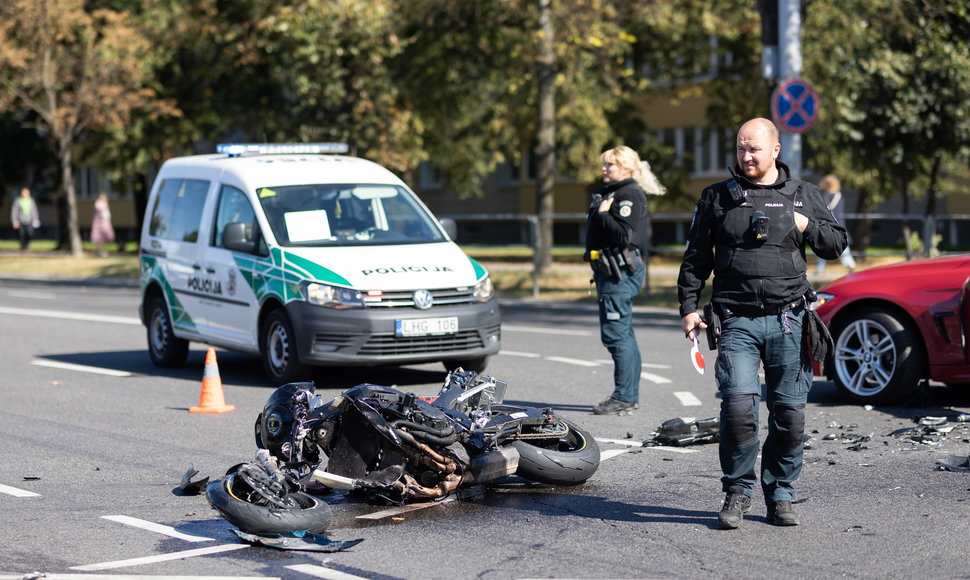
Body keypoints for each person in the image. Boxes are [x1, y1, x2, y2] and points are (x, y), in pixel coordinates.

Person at [677, 118, 846, 528]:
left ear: (775, 150)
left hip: (789, 320)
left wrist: (803, 222)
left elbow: (836, 244)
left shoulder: (803, 194)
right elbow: (696, 257)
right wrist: (689, 306)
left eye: (753, 149)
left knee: (789, 417)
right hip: (736, 320)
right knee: (737, 410)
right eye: (740, 149)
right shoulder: (717, 198)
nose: (746, 156)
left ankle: (781, 494)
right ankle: (737, 491)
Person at [585, 145, 665, 415]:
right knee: (622, 335)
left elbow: (626, 237)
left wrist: (605, 213)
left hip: (618, 274)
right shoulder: (612, 193)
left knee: (617, 336)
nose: (604, 168)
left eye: (611, 164)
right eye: (605, 164)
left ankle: (625, 396)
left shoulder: (628, 193)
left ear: (626, 169)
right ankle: (628, 395)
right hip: (609, 273)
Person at [815, 174, 856, 274]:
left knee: (821, 245)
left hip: (826, 224)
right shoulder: (839, 196)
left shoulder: (824, 196)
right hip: (839, 224)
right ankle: (850, 264)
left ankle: (820, 269)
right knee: (843, 246)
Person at [10, 187, 40, 252]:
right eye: (24, 192)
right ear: (21, 193)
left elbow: (34, 211)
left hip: (29, 221)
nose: (26, 194)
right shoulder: (18, 201)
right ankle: (23, 247)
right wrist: (14, 221)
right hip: (20, 221)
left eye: (27, 193)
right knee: (21, 235)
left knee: (30, 234)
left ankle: (26, 245)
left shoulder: (31, 201)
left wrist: (35, 219)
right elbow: (14, 212)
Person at [91, 192, 115, 257]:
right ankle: (99, 251)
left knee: (102, 239)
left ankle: (100, 251)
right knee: (100, 238)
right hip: (101, 223)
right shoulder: (100, 204)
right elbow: (104, 213)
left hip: (102, 223)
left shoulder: (102, 204)